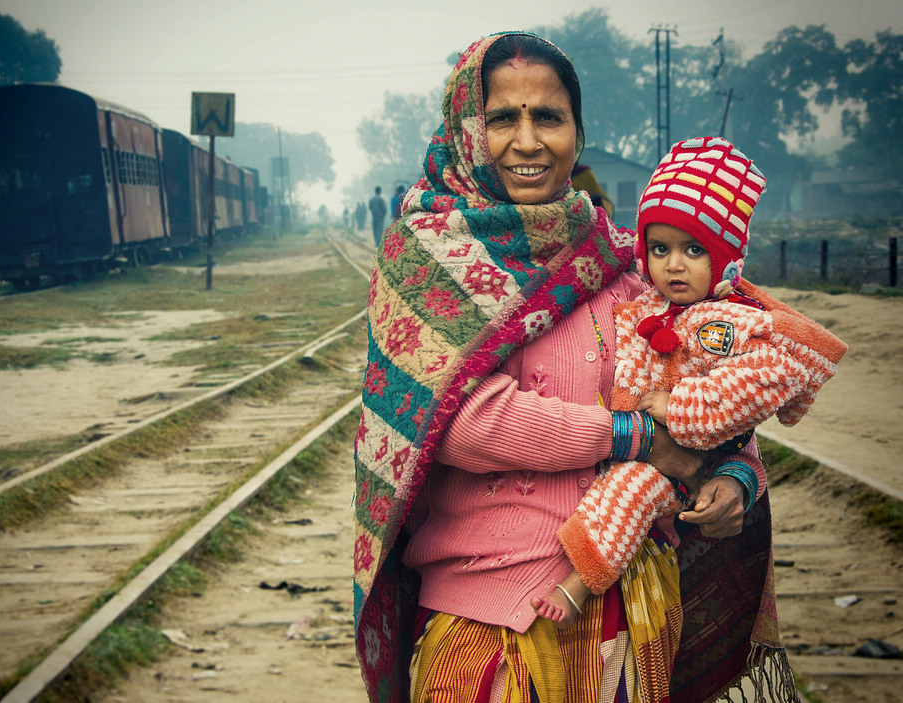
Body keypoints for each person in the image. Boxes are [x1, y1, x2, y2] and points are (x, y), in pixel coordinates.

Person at [354, 33, 780, 703]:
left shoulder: (625, 260)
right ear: (468, 131)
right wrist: (636, 435)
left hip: (634, 621)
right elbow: (460, 422)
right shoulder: (428, 259)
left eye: (548, 117)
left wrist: (736, 476)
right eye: (503, 118)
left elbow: (712, 388)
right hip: (487, 624)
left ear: (577, 132)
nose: (527, 141)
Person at [531, 138, 848, 648]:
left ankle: (576, 585)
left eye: (694, 250)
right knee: (624, 492)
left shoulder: (718, 319)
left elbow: (754, 392)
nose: (674, 265)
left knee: (629, 495)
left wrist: (732, 471)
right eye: (660, 250)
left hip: (660, 486)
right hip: (526, 534)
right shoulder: (644, 303)